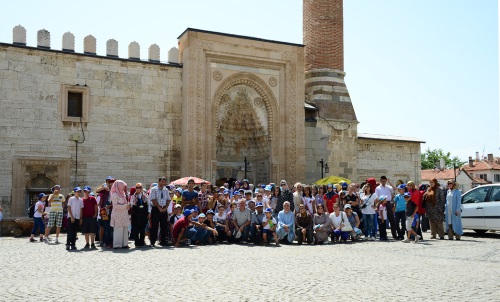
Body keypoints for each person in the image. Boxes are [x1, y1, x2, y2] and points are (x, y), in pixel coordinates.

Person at [149, 176, 171, 246]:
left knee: (164, 225)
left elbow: (168, 199)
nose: (163, 183)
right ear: (159, 182)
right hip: (156, 208)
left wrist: (165, 208)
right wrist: (159, 207)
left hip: (164, 208)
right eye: (162, 181)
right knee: (155, 225)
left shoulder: (166, 190)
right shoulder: (154, 189)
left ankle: (163, 241)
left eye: (164, 182)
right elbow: (153, 199)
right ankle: (153, 241)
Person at [110, 180, 131, 249]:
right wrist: (125, 206)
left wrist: (128, 206)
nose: (124, 188)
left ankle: (124, 244)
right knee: (118, 230)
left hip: (124, 214)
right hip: (117, 215)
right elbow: (115, 205)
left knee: (125, 229)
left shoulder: (123, 194)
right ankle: (117, 245)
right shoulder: (114, 194)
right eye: (123, 187)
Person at [130, 183, 150, 247]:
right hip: (135, 214)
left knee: (142, 229)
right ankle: (137, 242)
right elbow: (131, 205)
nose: (138, 189)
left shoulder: (145, 196)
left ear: (141, 188)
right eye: (137, 187)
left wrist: (149, 213)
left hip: (143, 214)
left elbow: (149, 204)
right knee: (135, 229)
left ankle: (142, 242)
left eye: (140, 187)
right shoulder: (133, 196)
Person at [97, 177, 115, 248]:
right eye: (110, 182)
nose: (111, 183)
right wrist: (103, 188)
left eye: (113, 182)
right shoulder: (104, 190)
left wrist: (111, 205)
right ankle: (106, 242)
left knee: (111, 227)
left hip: (112, 210)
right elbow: (97, 190)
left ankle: (111, 242)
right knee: (105, 227)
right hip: (104, 211)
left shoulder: (115, 191)